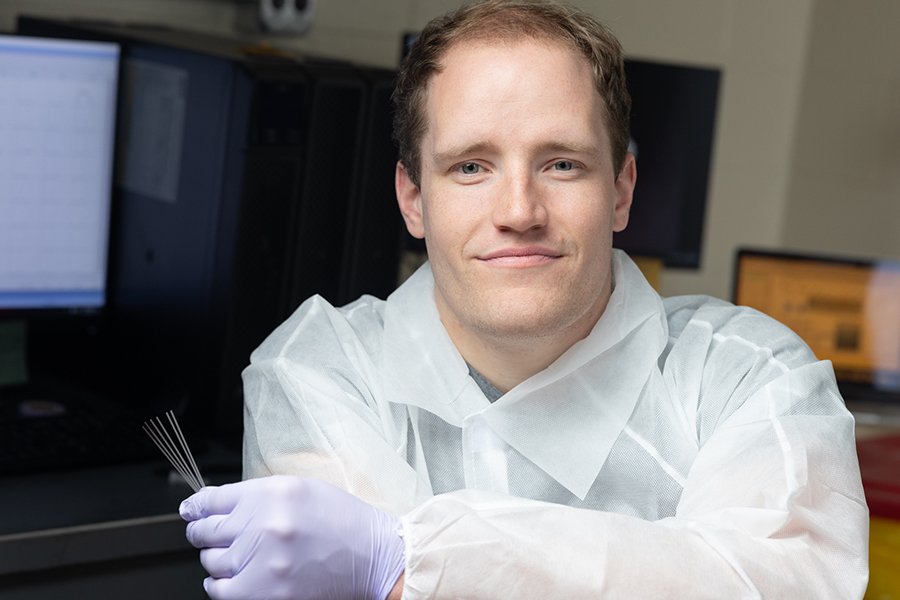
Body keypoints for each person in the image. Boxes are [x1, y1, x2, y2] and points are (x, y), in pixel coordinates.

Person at [178, 1, 870, 598]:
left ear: (623, 189)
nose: (519, 209)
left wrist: (409, 562)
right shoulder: (322, 372)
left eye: (561, 163)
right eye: (471, 166)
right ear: (413, 198)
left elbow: (787, 582)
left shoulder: (747, 376)